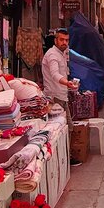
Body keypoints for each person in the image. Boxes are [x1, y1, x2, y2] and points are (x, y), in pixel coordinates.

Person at [41, 28, 81, 164]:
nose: (64, 42)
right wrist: (67, 83)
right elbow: (55, 74)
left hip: (61, 95)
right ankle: (63, 158)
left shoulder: (61, 54)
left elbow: (63, 73)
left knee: (67, 127)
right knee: (61, 129)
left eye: (66, 40)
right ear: (55, 40)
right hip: (55, 96)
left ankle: (64, 157)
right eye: (62, 40)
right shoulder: (52, 55)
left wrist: (68, 85)